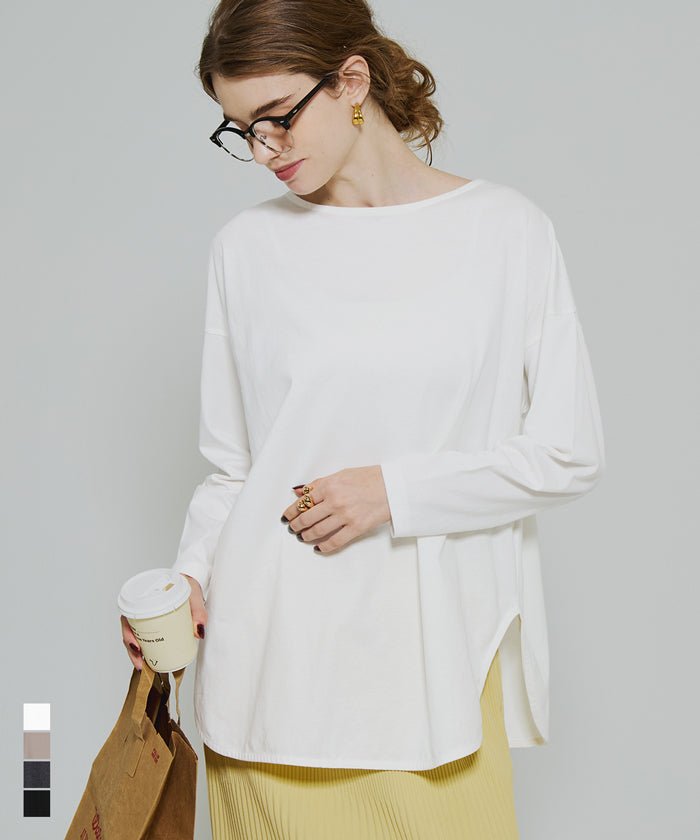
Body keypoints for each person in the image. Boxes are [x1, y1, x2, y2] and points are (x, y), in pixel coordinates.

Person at [121, 1, 606, 837]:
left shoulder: (505, 232)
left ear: (351, 80)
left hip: (433, 667)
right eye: (241, 130)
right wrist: (189, 579)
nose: (264, 149)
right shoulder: (247, 248)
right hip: (270, 669)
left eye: (277, 116)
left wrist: (392, 492)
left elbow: (568, 453)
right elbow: (236, 467)